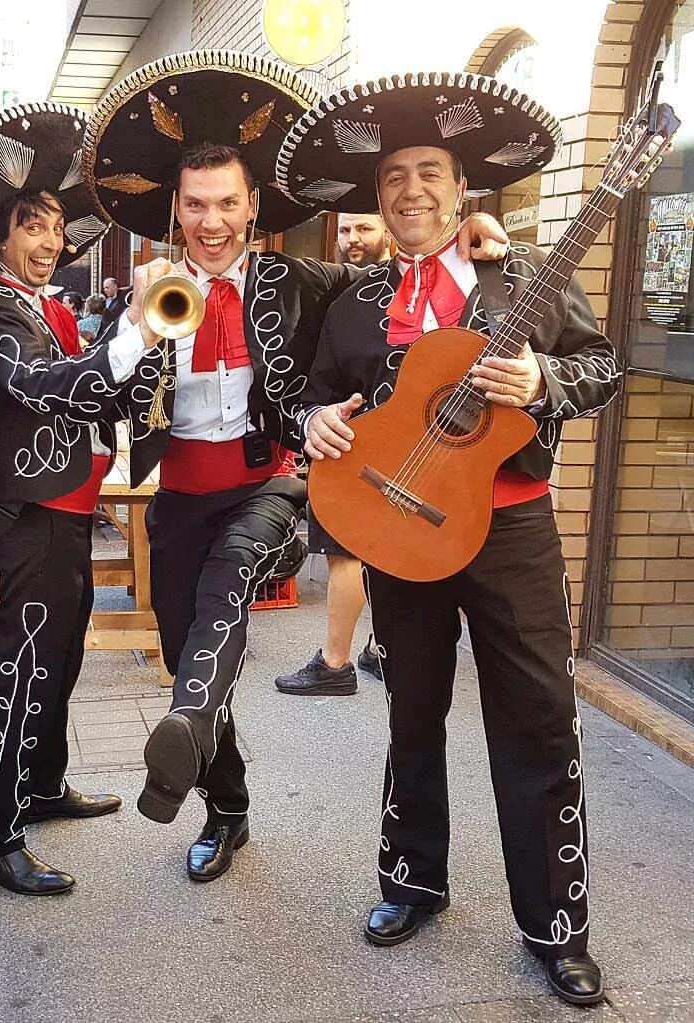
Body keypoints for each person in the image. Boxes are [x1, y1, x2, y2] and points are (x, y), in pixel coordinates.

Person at [86, 51, 508, 884]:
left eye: (228, 205)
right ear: (176, 208)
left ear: (253, 207)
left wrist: (473, 234)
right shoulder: (143, 288)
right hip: (177, 495)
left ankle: (190, 719)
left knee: (228, 586)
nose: (213, 224)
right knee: (191, 644)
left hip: (270, 485)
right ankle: (225, 801)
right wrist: (135, 326)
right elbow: (107, 402)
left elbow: (397, 282)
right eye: (197, 206)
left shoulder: (296, 278)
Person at [280, 73, 619, 1005]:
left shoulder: (524, 281)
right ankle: (411, 879)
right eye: (393, 177)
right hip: (399, 528)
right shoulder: (354, 303)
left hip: (512, 528)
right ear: (379, 197)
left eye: (429, 171)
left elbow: (603, 367)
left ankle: (556, 922)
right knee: (412, 708)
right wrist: (316, 424)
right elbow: (315, 392)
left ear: (461, 188)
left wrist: (542, 379)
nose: (410, 190)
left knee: (540, 718)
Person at [0, 104, 149, 896]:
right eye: (31, 228)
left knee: (63, 659)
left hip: (72, 514)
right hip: (32, 521)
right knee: (26, 669)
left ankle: (42, 786)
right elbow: (48, 391)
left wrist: (143, 360)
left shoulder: (52, 311)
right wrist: (132, 336)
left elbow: (96, 396)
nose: (49, 242)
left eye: (53, 227)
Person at [274, 211, 394, 696]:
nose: (351, 239)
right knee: (383, 552)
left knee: (346, 554)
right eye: (344, 230)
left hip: (361, 444)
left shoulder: (374, 289)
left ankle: (335, 662)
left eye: (363, 228)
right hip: (347, 434)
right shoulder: (344, 288)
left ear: (387, 229)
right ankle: (378, 648)